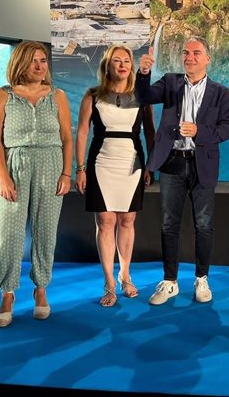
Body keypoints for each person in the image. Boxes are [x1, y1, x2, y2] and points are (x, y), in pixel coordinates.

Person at [136, 37, 229, 304]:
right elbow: (143, 97)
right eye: (186, 52)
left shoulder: (222, 92)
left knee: (204, 224)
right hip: (171, 161)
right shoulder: (169, 82)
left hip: (202, 162)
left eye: (196, 53)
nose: (190, 57)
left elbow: (227, 129)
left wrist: (200, 131)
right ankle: (169, 281)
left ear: (207, 58)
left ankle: (202, 278)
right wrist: (143, 73)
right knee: (169, 224)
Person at [0, 41, 73, 327]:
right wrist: (3, 176)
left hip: (51, 164)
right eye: (33, 60)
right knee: (9, 234)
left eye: (43, 60)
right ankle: (8, 293)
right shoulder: (3, 95)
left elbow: (67, 138)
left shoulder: (57, 95)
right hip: (15, 163)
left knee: (46, 231)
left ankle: (41, 289)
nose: (40, 65)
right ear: (20, 64)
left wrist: (66, 174)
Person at [75, 44, 155, 307]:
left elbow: (150, 133)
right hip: (101, 163)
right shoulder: (92, 95)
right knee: (105, 221)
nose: (123, 65)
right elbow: (83, 133)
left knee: (127, 221)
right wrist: (80, 168)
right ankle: (109, 281)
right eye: (117, 60)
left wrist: (150, 166)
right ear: (107, 66)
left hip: (131, 162)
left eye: (127, 61)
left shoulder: (142, 96)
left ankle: (125, 274)